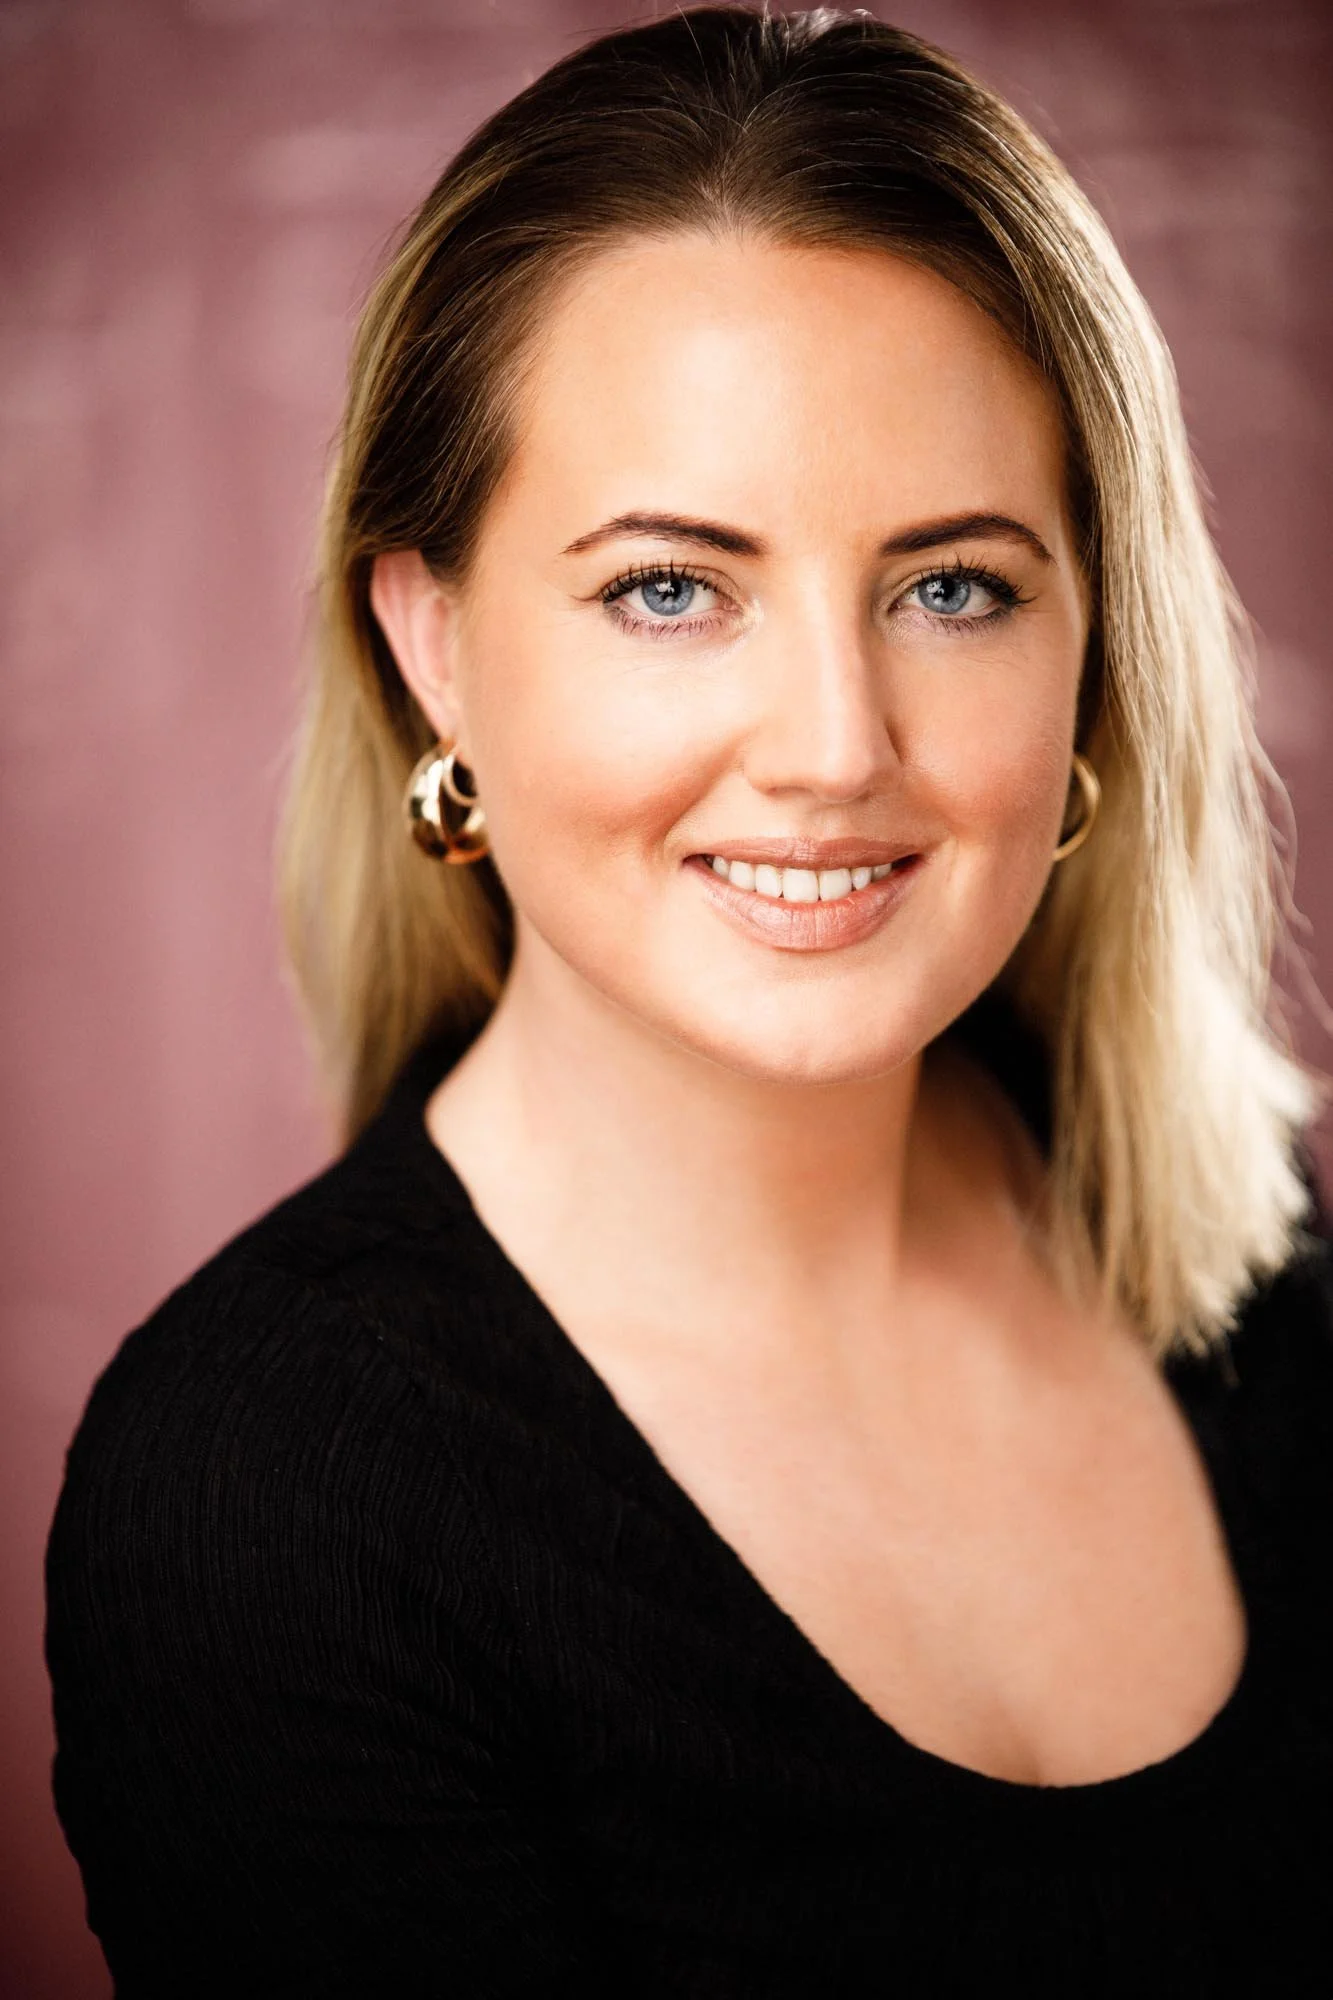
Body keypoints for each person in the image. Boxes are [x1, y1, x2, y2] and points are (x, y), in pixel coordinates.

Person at [44, 6, 1333, 1994]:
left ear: (1097, 651)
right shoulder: (266, 1500)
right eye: (671, 586)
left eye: (955, 587)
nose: (833, 745)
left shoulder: (1285, 1293)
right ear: (438, 646)